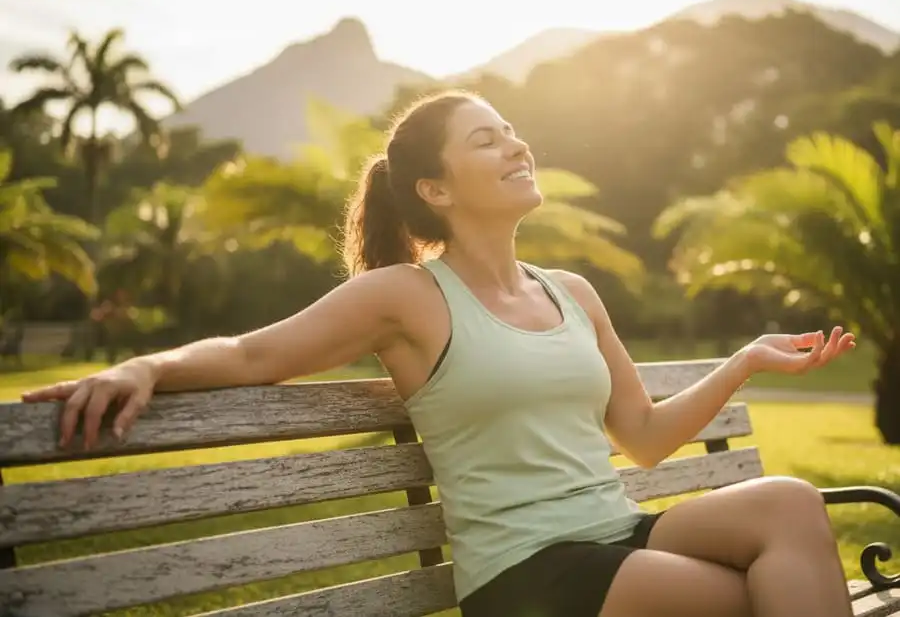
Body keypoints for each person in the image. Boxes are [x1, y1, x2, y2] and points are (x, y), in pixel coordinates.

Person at [23, 90, 858, 617]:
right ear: (434, 189)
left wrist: (745, 358)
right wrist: (145, 366)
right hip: (529, 576)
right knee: (761, 596)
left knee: (788, 502)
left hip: (618, 533)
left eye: (514, 131)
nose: (516, 146)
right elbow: (250, 352)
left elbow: (640, 437)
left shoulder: (571, 289)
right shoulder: (407, 296)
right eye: (488, 140)